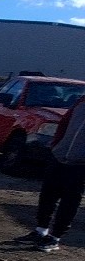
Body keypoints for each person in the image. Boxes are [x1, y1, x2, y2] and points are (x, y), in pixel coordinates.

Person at [25, 96, 85, 251]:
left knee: (69, 201)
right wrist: (56, 145)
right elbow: (65, 123)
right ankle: (40, 231)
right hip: (59, 156)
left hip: (80, 165)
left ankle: (54, 238)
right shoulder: (82, 101)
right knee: (47, 194)